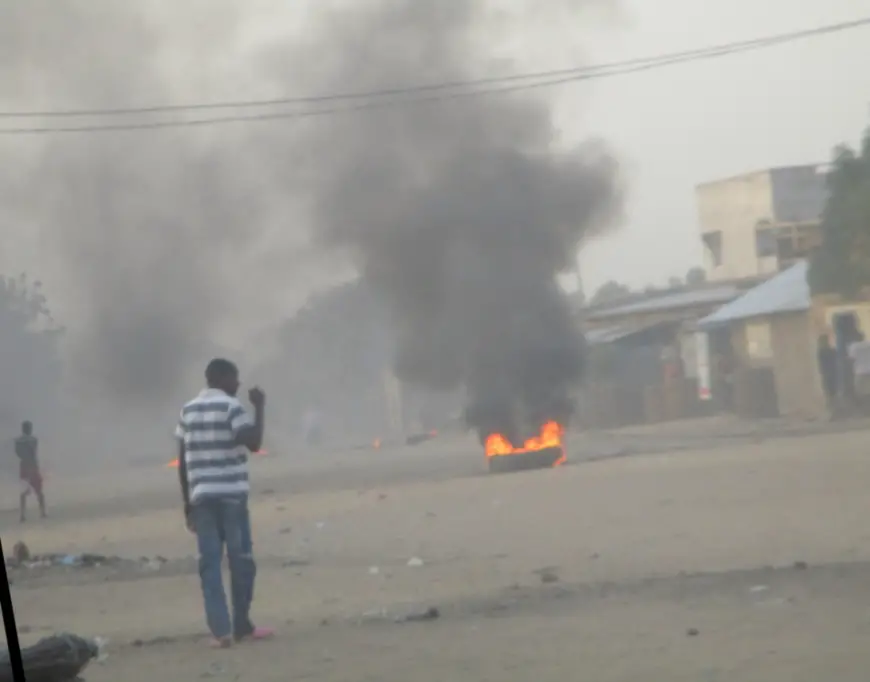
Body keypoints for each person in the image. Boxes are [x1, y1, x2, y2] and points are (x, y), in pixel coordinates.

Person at [174, 358, 273, 648]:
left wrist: (187, 503)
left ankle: (221, 631)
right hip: (232, 495)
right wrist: (260, 407)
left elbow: (183, 461)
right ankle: (242, 623)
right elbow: (253, 443)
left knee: (210, 564)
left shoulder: (187, 410)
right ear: (220, 378)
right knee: (241, 560)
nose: (238, 384)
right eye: (235, 378)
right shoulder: (232, 407)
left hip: (202, 497)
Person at [15, 421, 46, 522]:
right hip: (32, 466)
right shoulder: (33, 440)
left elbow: (18, 453)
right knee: (39, 490)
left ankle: (22, 515)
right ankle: (43, 512)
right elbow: (34, 452)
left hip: (24, 465)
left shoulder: (18, 441)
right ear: (29, 428)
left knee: (24, 491)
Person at [817, 334, 838, 415]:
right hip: (830, 374)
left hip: (828, 375)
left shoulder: (820, 352)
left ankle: (832, 412)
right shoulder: (831, 351)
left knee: (830, 394)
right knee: (831, 394)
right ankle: (833, 412)